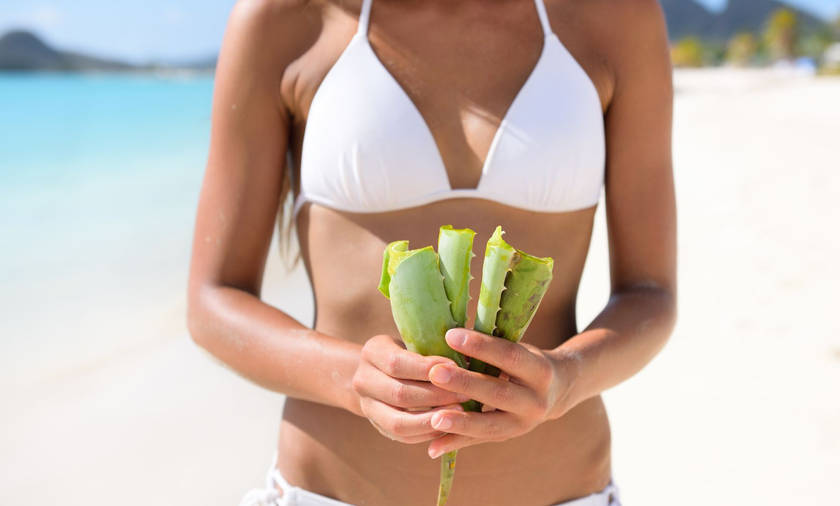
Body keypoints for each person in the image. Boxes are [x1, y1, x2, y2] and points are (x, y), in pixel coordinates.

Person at [187, 0, 676, 504]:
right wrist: (353, 377)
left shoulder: (615, 17)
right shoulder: (287, 18)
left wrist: (567, 378)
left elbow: (650, 293)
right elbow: (212, 301)